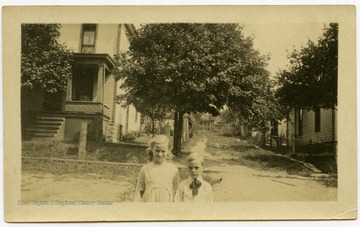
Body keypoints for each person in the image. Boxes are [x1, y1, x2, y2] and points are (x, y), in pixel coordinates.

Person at [133, 135, 179, 202]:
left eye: (163, 151)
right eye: (157, 151)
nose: (160, 154)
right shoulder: (145, 169)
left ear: (168, 150)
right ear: (152, 149)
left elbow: (177, 191)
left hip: (166, 205)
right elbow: (140, 190)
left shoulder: (173, 169)